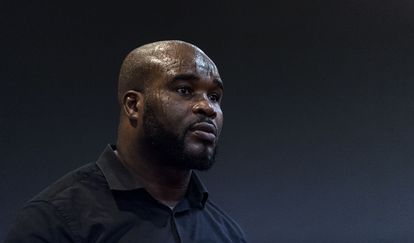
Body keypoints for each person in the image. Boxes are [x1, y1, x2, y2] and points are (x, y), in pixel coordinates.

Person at [5, 40, 247, 243]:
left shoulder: (228, 234)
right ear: (133, 105)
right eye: (184, 90)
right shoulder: (55, 222)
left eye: (214, 97)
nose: (208, 107)